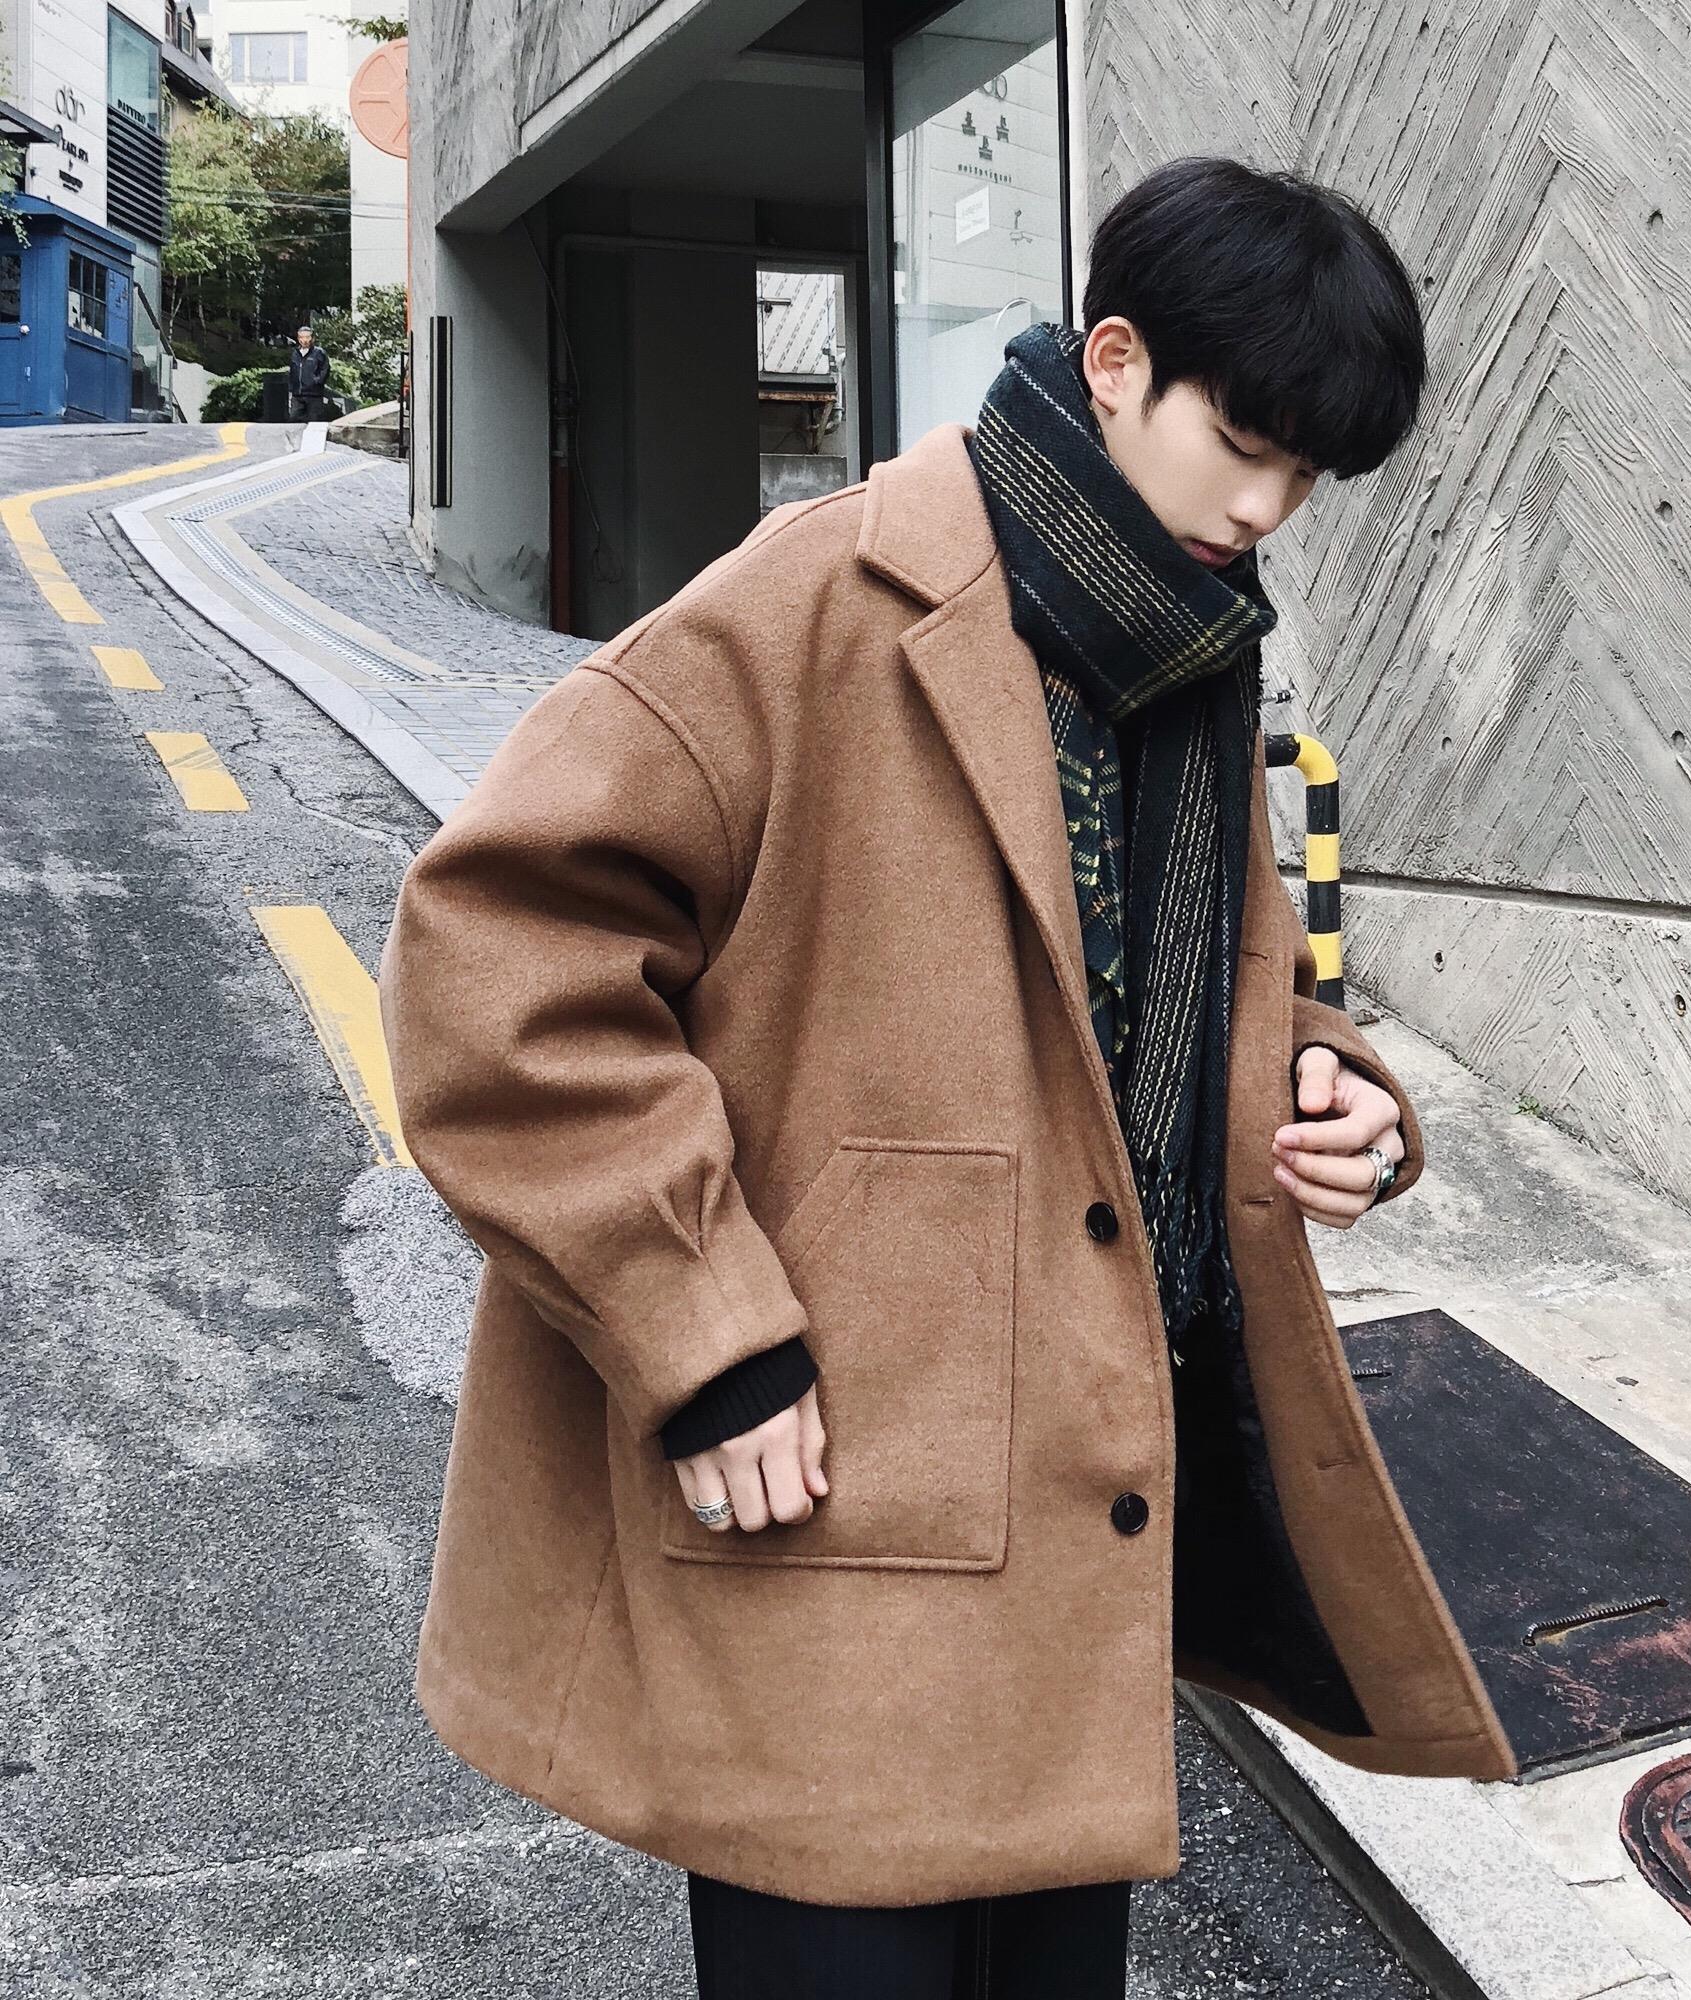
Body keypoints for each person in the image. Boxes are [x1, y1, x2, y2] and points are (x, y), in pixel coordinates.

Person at [376, 155, 1516, 1999]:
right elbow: (497, 956)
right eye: (1247, 444)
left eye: (1309, 477)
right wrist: (702, 1331)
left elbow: (1177, 991)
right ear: (1118, 363)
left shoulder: (1185, 643)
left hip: (1073, 1492)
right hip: (834, 1474)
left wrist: (1334, 1089)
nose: (1266, 505)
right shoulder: (815, 597)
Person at [287, 323, 330, 421]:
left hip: (314, 395)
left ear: (312, 338)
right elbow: (292, 371)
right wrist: (291, 388)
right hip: (297, 395)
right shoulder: (295, 353)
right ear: (298, 339)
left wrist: (317, 381)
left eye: (307, 337)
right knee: (294, 419)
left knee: (314, 421)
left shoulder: (319, 353)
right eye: (302, 337)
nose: (305, 340)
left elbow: (325, 370)